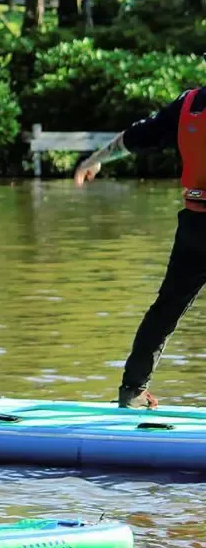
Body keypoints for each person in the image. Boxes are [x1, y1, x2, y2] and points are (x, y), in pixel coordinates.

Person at [74, 85, 206, 408]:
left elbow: (139, 136)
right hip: (194, 227)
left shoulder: (188, 104)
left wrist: (96, 159)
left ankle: (131, 390)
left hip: (195, 226)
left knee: (165, 309)